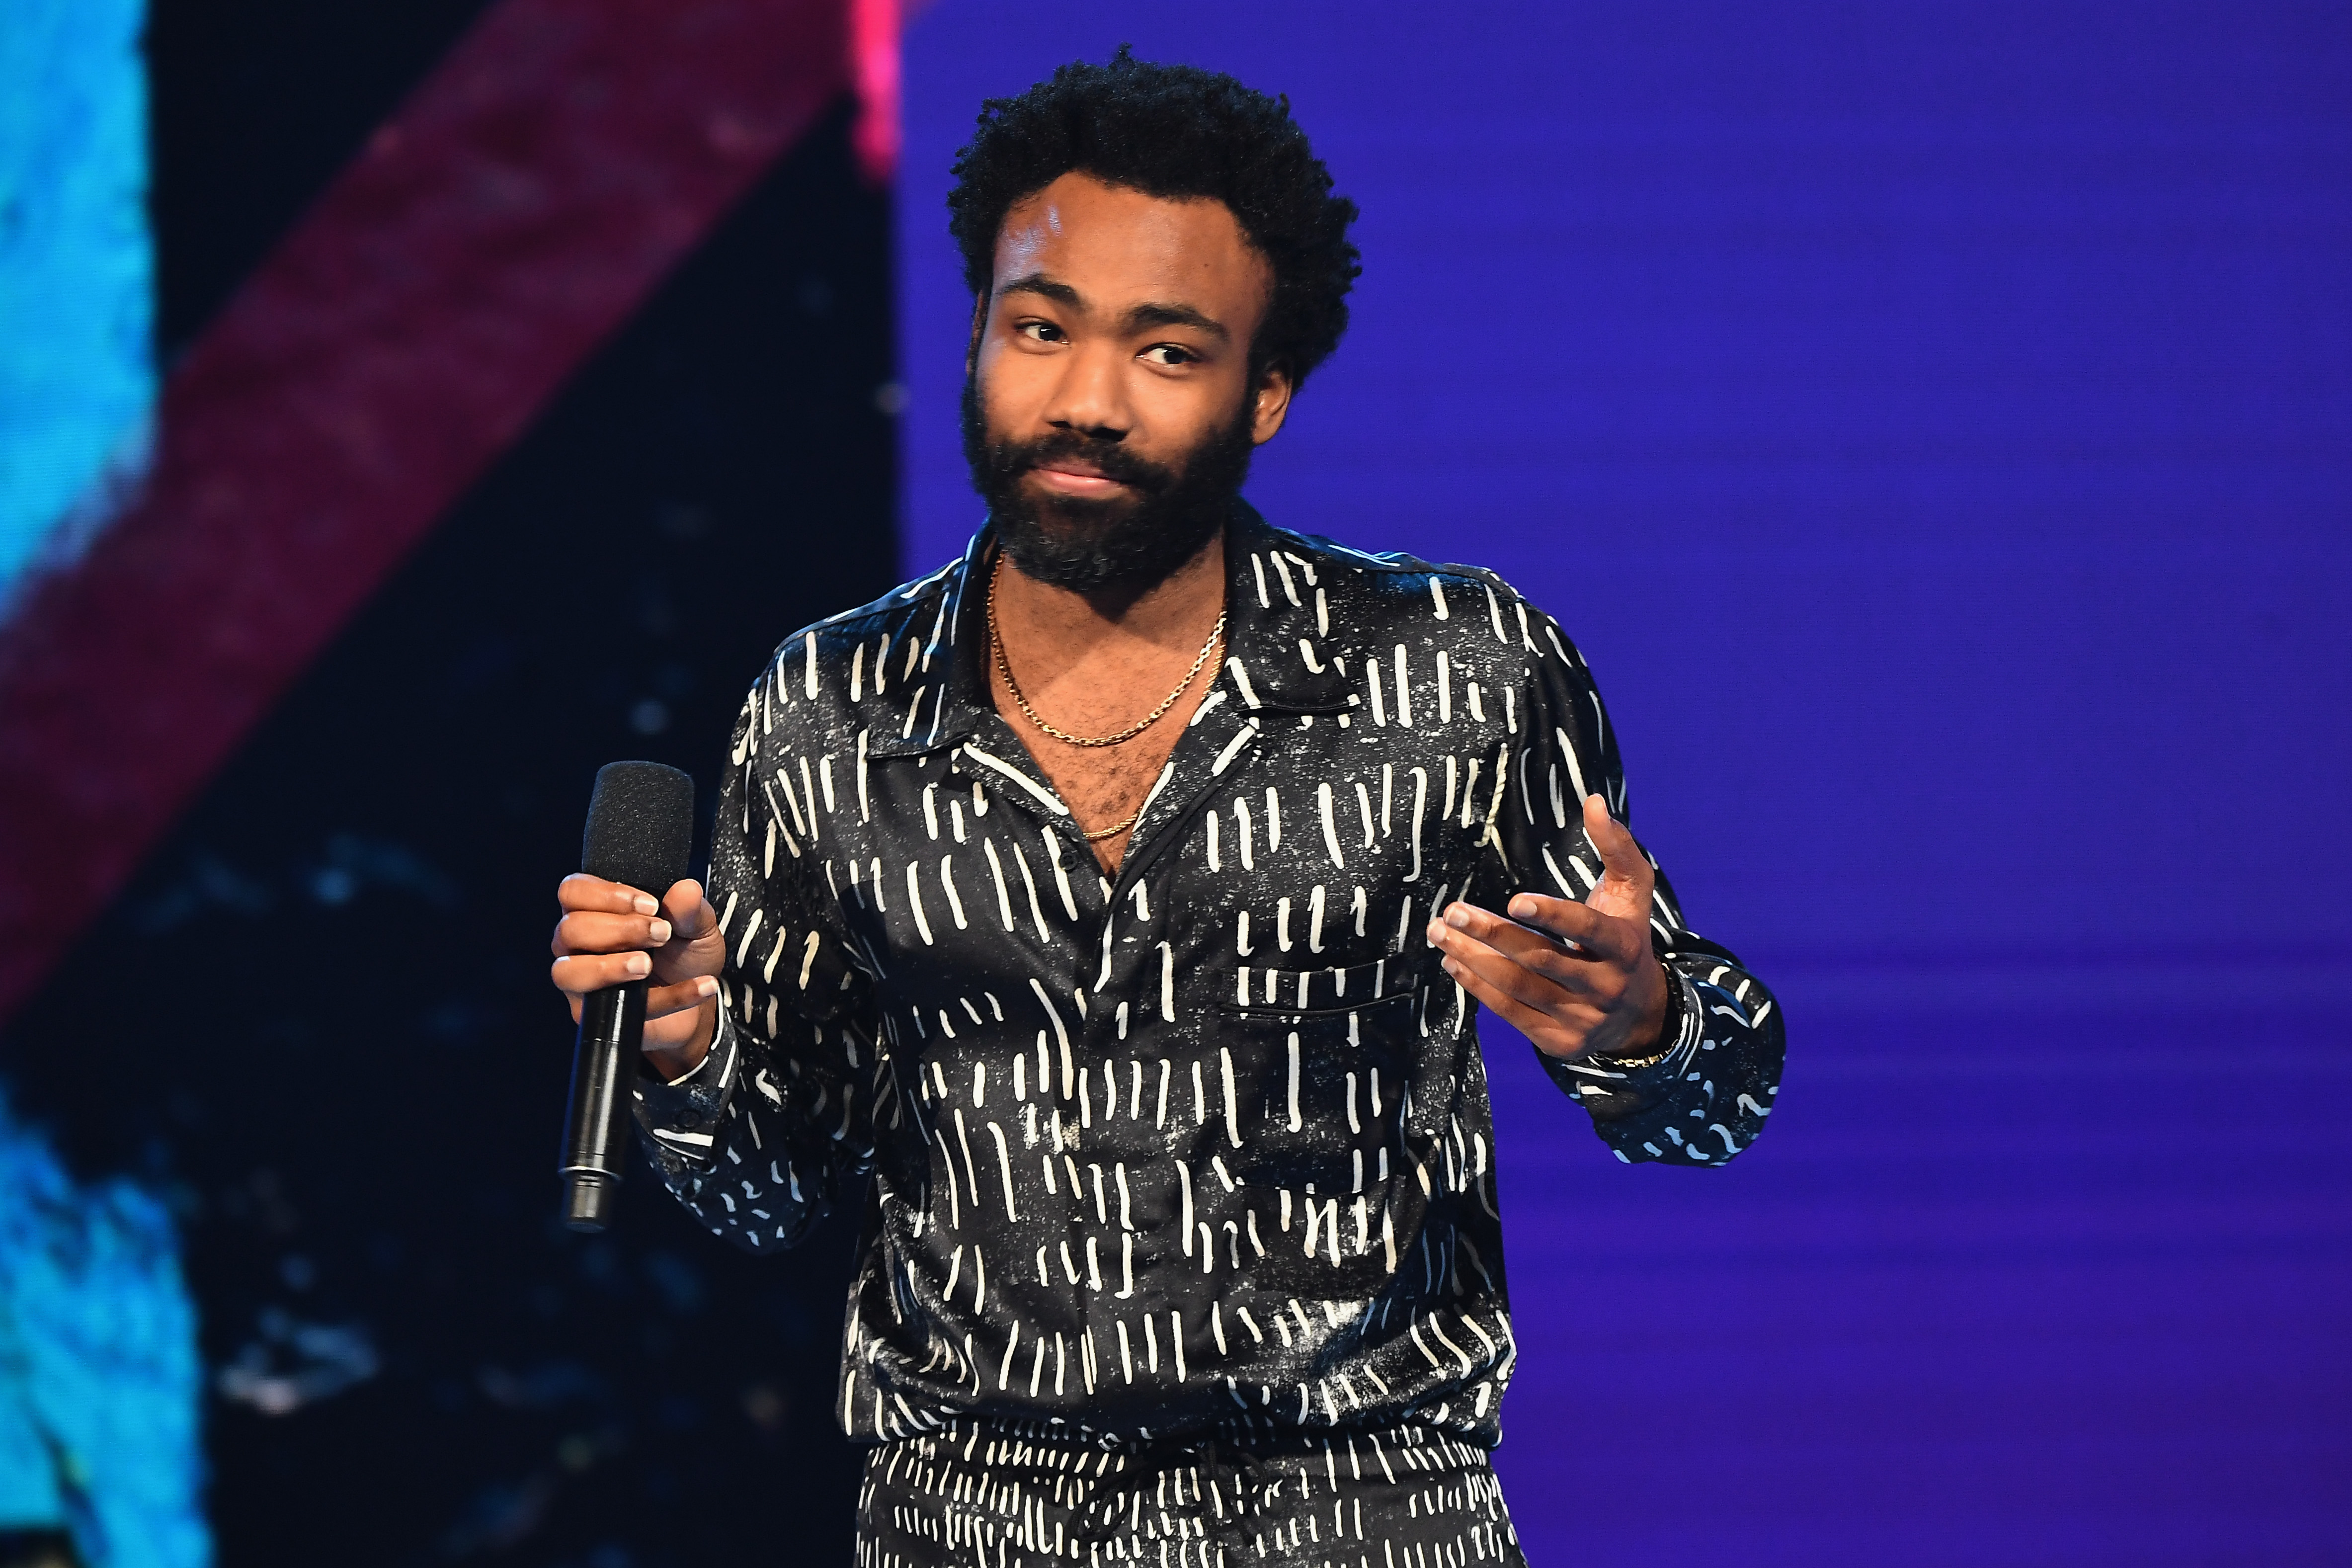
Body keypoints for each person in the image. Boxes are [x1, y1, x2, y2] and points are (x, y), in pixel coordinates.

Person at [551, 50, 1783, 1566]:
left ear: (1267, 392)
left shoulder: (1458, 675)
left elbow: (1718, 1107)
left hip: (1360, 1514)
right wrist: (691, 1047)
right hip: (968, 1524)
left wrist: (1647, 1024)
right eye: (1038, 328)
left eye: (1167, 352)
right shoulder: (830, 709)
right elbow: (771, 1186)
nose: (1084, 400)